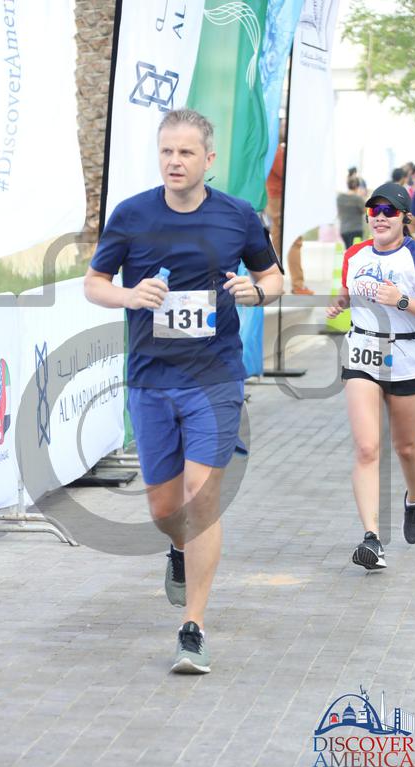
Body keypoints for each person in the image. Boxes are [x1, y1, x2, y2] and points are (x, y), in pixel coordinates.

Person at [84, 108, 283, 673]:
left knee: (201, 498)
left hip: (214, 378)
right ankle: (177, 548)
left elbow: (273, 277)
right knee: (165, 507)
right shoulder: (132, 214)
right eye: (167, 151)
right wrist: (129, 296)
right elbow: (94, 283)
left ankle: (192, 627)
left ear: (208, 159)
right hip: (151, 379)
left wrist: (256, 292)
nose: (174, 161)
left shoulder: (237, 216)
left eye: (186, 152)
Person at [327, 182, 415, 570]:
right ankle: (372, 538)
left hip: (407, 357)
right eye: (374, 211)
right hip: (363, 353)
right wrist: (341, 302)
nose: (380, 217)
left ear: (404, 217)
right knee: (367, 448)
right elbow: (349, 291)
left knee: (405, 447)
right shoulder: (355, 254)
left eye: (389, 211)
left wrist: (401, 301)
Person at [266, 128, 314, 295]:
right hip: (281, 198)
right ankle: (298, 285)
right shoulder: (277, 151)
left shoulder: (274, 149)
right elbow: (288, 172)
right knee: (294, 239)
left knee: (277, 241)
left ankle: (274, 284)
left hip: (275, 198)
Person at [336, 176, 365, 250]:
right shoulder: (358, 199)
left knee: (348, 250)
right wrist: (362, 196)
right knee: (356, 252)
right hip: (356, 229)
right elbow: (364, 210)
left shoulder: (340, 198)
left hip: (344, 230)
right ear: (357, 186)